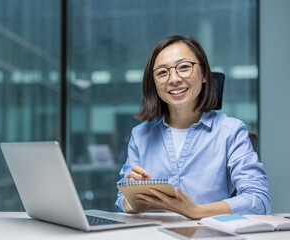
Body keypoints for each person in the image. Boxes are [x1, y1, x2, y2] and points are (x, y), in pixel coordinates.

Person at [115, 35, 271, 219]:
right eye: (162, 72)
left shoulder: (231, 131)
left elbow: (259, 200)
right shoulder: (140, 135)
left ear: (204, 74)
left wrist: (196, 211)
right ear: (154, 83)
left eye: (184, 67)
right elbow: (121, 204)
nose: (174, 79)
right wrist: (133, 200)